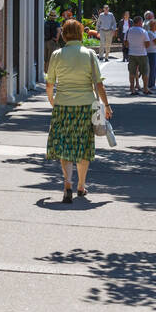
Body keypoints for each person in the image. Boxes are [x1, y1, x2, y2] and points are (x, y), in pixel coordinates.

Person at [46, 19, 113, 202]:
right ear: (81, 33)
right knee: (83, 146)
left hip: (63, 105)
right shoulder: (89, 54)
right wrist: (106, 105)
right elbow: (98, 83)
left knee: (64, 145)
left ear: (65, 35)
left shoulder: (57, 55)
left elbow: (50, 83)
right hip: (85, 106)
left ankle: (67, 182)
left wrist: (53, 100)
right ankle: (81, 186)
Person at [125, 16, 156, 95]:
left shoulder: (128, 31)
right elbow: (147, 44)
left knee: (132, 72)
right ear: (140, 22)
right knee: (145, 72)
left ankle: (132, 88)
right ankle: (145, 88)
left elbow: (125, 43)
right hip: (142, 54)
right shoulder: (143, 31)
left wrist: (132, 46)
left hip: (132, 53)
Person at [145, 19, 156, 92]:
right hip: (151, 53)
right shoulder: (150, 33)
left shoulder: (154, 33)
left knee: (154, 69)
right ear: (152, 25)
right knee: (152, 69)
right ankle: (151, 85)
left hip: (154, 52)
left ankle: (152, 84)